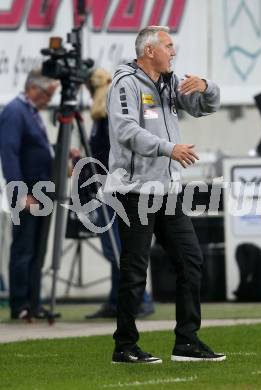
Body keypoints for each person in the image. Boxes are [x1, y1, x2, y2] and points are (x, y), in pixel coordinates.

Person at [106, 25, 226, 363]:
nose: (174, 52)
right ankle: (124, 346)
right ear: (149, 51)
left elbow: (204, 107)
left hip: (168, 190)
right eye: (169, 46)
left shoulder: (170, 82)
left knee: (191, 261)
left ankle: (186, 341)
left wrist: (207, 87)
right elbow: (126, 130)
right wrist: (168, 148)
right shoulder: (125, 83)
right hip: (134, 190)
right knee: (134, 270)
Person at [84, 68, 155, 319]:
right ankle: (117, 299)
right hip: (109, 188)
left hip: (112, 190)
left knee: (118, 248)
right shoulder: (101, 119)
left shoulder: (106, 119)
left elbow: (109, 155)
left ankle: (140, 299)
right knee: (117, 248)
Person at [0, 69, 59, 320]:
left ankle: (33, 303)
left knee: (37, 250)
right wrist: (20, 193)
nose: (49, 100)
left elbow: (37, 150)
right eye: (47, 94)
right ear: (34, 88)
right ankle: (20, 304)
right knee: (24, 249)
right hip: (28, 191)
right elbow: (9, 152)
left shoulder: (32, 112)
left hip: (42, 191)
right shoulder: (16, 111)